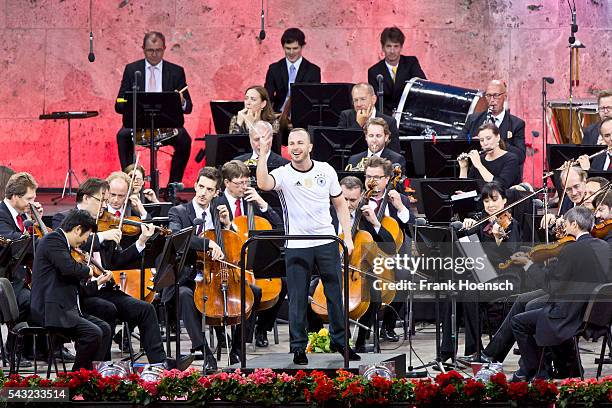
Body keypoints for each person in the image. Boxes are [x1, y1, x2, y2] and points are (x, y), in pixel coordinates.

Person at [50, 178, 188, 368]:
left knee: (146, 309)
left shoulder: (104, 223)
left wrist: (141, 241)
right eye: (102, 200)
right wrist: (100, 237)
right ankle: (102, 366)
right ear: (87, 198)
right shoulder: (62, 218)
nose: (105, 205)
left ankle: (159, 364)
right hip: (81, 292)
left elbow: (117, 261)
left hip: (106, 288)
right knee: (106, 308)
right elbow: (67, 245)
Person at [256, 127, 360, 364]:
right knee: (298, 297)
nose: (295, 147)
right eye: (291, 143)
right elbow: (263, 183)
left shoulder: (326, 170)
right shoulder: (283, 174)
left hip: (327, 242)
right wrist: (263, 153)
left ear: (310, 147)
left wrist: (347, 235)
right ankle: (298, 347)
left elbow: (340, 204)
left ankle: (340, 342)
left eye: (300, 143)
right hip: (297, 244)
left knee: (334, 295)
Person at [510, 207, 609, 380]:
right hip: (593, 313)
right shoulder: (599, 247)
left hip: (570, 314)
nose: (563, 228)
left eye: (565, 224)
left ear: (574, 224)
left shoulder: (572, 250)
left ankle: (536, 372)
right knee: (533, 308)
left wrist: (528, 265)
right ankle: (563, 368)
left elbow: (550, 286)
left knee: (519, 322)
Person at [442, 182, 522, 361]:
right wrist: (467, 228)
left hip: (506, 277)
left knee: (471, 292)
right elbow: (470, 251)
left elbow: (512, 256)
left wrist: (498, 238)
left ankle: (474, 350)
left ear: (504, 200)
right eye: (486, 201)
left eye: (494, 200)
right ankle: (446, 352)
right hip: (483, 275)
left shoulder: (511, 225)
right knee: (452, 291)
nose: (490, 205)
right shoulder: (481, 222)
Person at [30, 209, 112, 371]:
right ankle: (76, 379)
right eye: (86, 236)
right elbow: (69, 269)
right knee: (92, 333)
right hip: (50, 310)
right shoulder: (52, 240)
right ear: (77, 229)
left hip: (66, 308)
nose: (85, 241)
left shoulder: (63, 245)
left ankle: (91, 375)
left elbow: (76, 288)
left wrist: (98, 282)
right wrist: (88, 270)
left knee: (104, 329)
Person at [115, 31, 192, 185]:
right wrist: (127, 102)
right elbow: (119, 102)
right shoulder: (132, 69)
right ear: (143, 49)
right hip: (139, 125)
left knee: (185, 140)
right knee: (122, 136)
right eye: (150, 50)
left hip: (167, 125)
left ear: (164, 48)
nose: (154, 54)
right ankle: (130, 185)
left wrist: (182, 101)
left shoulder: (176, 71)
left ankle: (173, 187)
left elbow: (188, 107)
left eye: (158, 50)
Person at [333, 176, 396, 352]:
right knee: (309, 292)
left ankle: (361, 341)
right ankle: (315, 341)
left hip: (356, 274)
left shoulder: (366, 217)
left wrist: (375, 223)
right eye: (343, 198)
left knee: (374, 292)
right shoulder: (326, 215)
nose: (347, 204)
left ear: (361, 197)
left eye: (352, 200)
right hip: (328, 269)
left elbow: (390, 247)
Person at [361, 156, 415, 342]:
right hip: (365, 253)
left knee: (404, 276)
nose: (372, 181)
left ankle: (388, 326)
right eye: (368, 176)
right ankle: (363, 327)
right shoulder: (359, 199)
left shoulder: (398, 199)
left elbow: (412, 227)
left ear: (387, 179)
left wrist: (400, 207)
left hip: (392, 254)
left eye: (376, 177)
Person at [460, 80, 526, 168]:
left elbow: (521, 156)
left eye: (496, 95)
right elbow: (458, 145)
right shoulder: (473, 119)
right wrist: (473, 143)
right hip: (476, 172)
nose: (492, 100)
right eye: (488, 95)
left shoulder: (516, 124)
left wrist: (497, 142)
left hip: (503, 173)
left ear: (505, 97)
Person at [367, 27, 426, 117]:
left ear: (401, 47)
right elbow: (376, 103)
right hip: (387, 120)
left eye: (396, 46)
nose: (392, 51)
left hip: (411, 116)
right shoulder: (373, 71)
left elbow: (422, 88)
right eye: (388, 46)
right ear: (382, 48)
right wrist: (391, 116)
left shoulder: (411, 63)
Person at [264, 28, 321, 112]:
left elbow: (314, 99)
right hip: (278, 114)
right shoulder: (274, 69)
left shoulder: (313, 70)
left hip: (303, 114)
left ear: (302, 47)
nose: (291, 52)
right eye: (288, 48)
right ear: (283, 47)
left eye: (295, 48)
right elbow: (268, 96)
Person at [337, 83, 400, 152]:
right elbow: (340, 146)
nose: (359, 104)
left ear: (373, 99)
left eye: (363, 99)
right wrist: (358, 124)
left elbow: (395, 154)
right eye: (355, 100)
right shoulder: (346, 116)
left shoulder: (389, 122)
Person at [459, 123, 521, 190]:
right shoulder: (480, 159)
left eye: (488, 138)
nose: (485, 143)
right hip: (480, 199)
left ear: (498, 137)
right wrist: (464, 168)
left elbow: (500, 186)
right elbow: (466, 188)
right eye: (482, 140)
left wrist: (479, 166)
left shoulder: (511, 159)